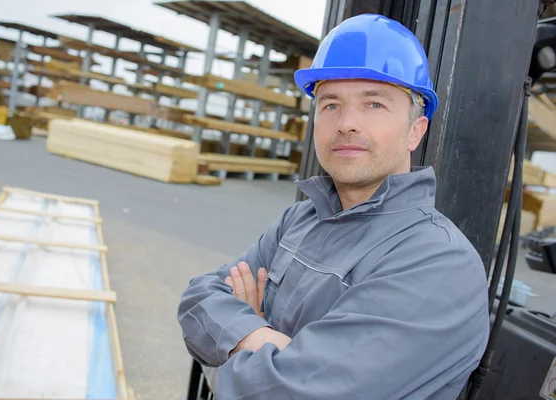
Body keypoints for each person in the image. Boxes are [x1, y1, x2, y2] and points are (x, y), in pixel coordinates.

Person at [177, 13, 490, 400]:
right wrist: (265, 341)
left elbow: (288, 394)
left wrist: (233, 340)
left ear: (415, 130)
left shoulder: (437, 263)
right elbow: (198, 299)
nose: (346, 124)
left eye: (374, 104)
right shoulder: (302, 219)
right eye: (330, 105)